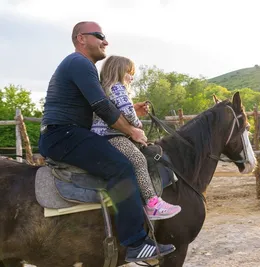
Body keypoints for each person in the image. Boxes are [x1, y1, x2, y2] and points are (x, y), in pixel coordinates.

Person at [38, 21, 175, 262]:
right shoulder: (79, 62)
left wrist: (132, 110)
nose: (106, 41)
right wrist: (132, 131)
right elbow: (101, 106)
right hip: (64, 135)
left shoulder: (81, 66)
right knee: (122, 167)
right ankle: (135, 242)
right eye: (100, 36)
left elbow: (105, 105)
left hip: (68, 134)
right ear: (81, 38)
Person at [91, 55, 181, 220]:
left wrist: (133, 108)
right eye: (128, 72)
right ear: (117, 71)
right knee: (139, 160)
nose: (131, 77)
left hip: (104, 136)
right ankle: (152, 203)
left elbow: (120, 109)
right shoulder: (117, 87)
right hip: (110, 137)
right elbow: (127, 113)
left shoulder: (106, 88)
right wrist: (138, 125)